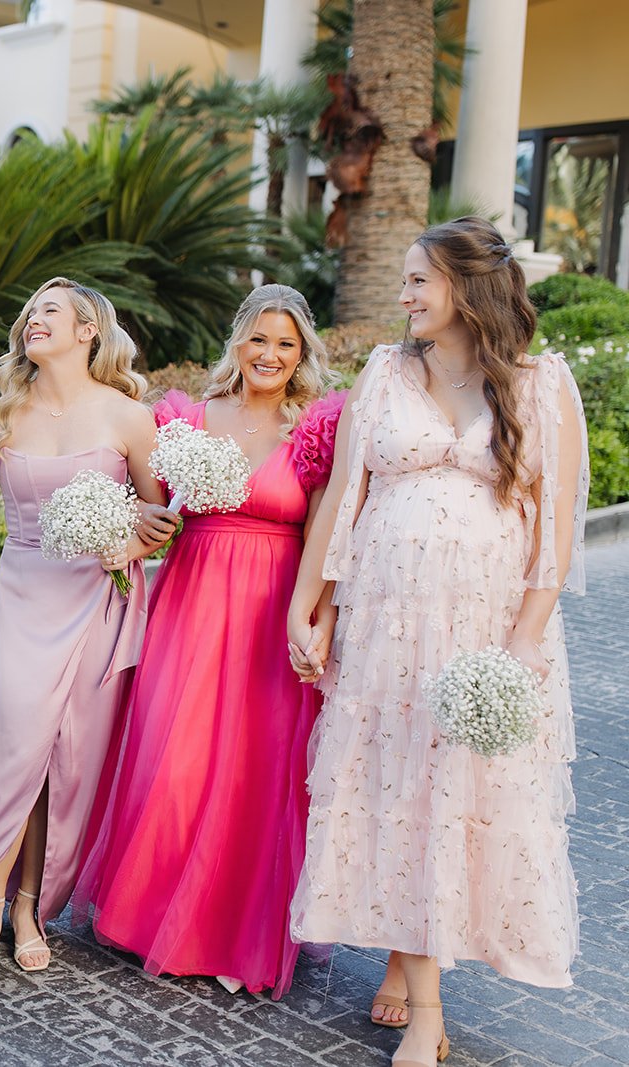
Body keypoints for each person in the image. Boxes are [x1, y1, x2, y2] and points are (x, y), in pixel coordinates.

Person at [287, 218, 587, 1066]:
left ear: (468, 287)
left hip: (484, 632)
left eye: (420, 280)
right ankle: (424, 1004)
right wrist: (306, 607)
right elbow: (344, 498)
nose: (406, 295)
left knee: (450, 795)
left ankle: (417, 969)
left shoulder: (540, 385)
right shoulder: (385, 372)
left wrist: (522, 644)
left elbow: (554, 533)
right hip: (388, 627)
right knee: (394, 787)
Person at [74, 284, 341, 998]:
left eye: (286, 344)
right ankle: (155, 914)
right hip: (191, 600)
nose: (270, 355)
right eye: (259, 338)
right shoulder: (188, 419)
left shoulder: (313, 429)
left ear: (303, 353)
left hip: (273, 606)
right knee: (178, 754)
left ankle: (234, 928)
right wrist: (143, 523)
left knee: (258, 766)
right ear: (238, 341)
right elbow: (151, 501)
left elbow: (324, 534)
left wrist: (320, 618)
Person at [0, 278, 169, 974]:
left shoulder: (129, 417)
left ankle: (29, 905)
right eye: (30, 312)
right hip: (25, 590)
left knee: (66, 760)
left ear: (88, 329)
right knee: (18, 748)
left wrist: (129, 542)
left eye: (50, 311)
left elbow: (161, 518)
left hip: (96, 597)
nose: (33, 319)